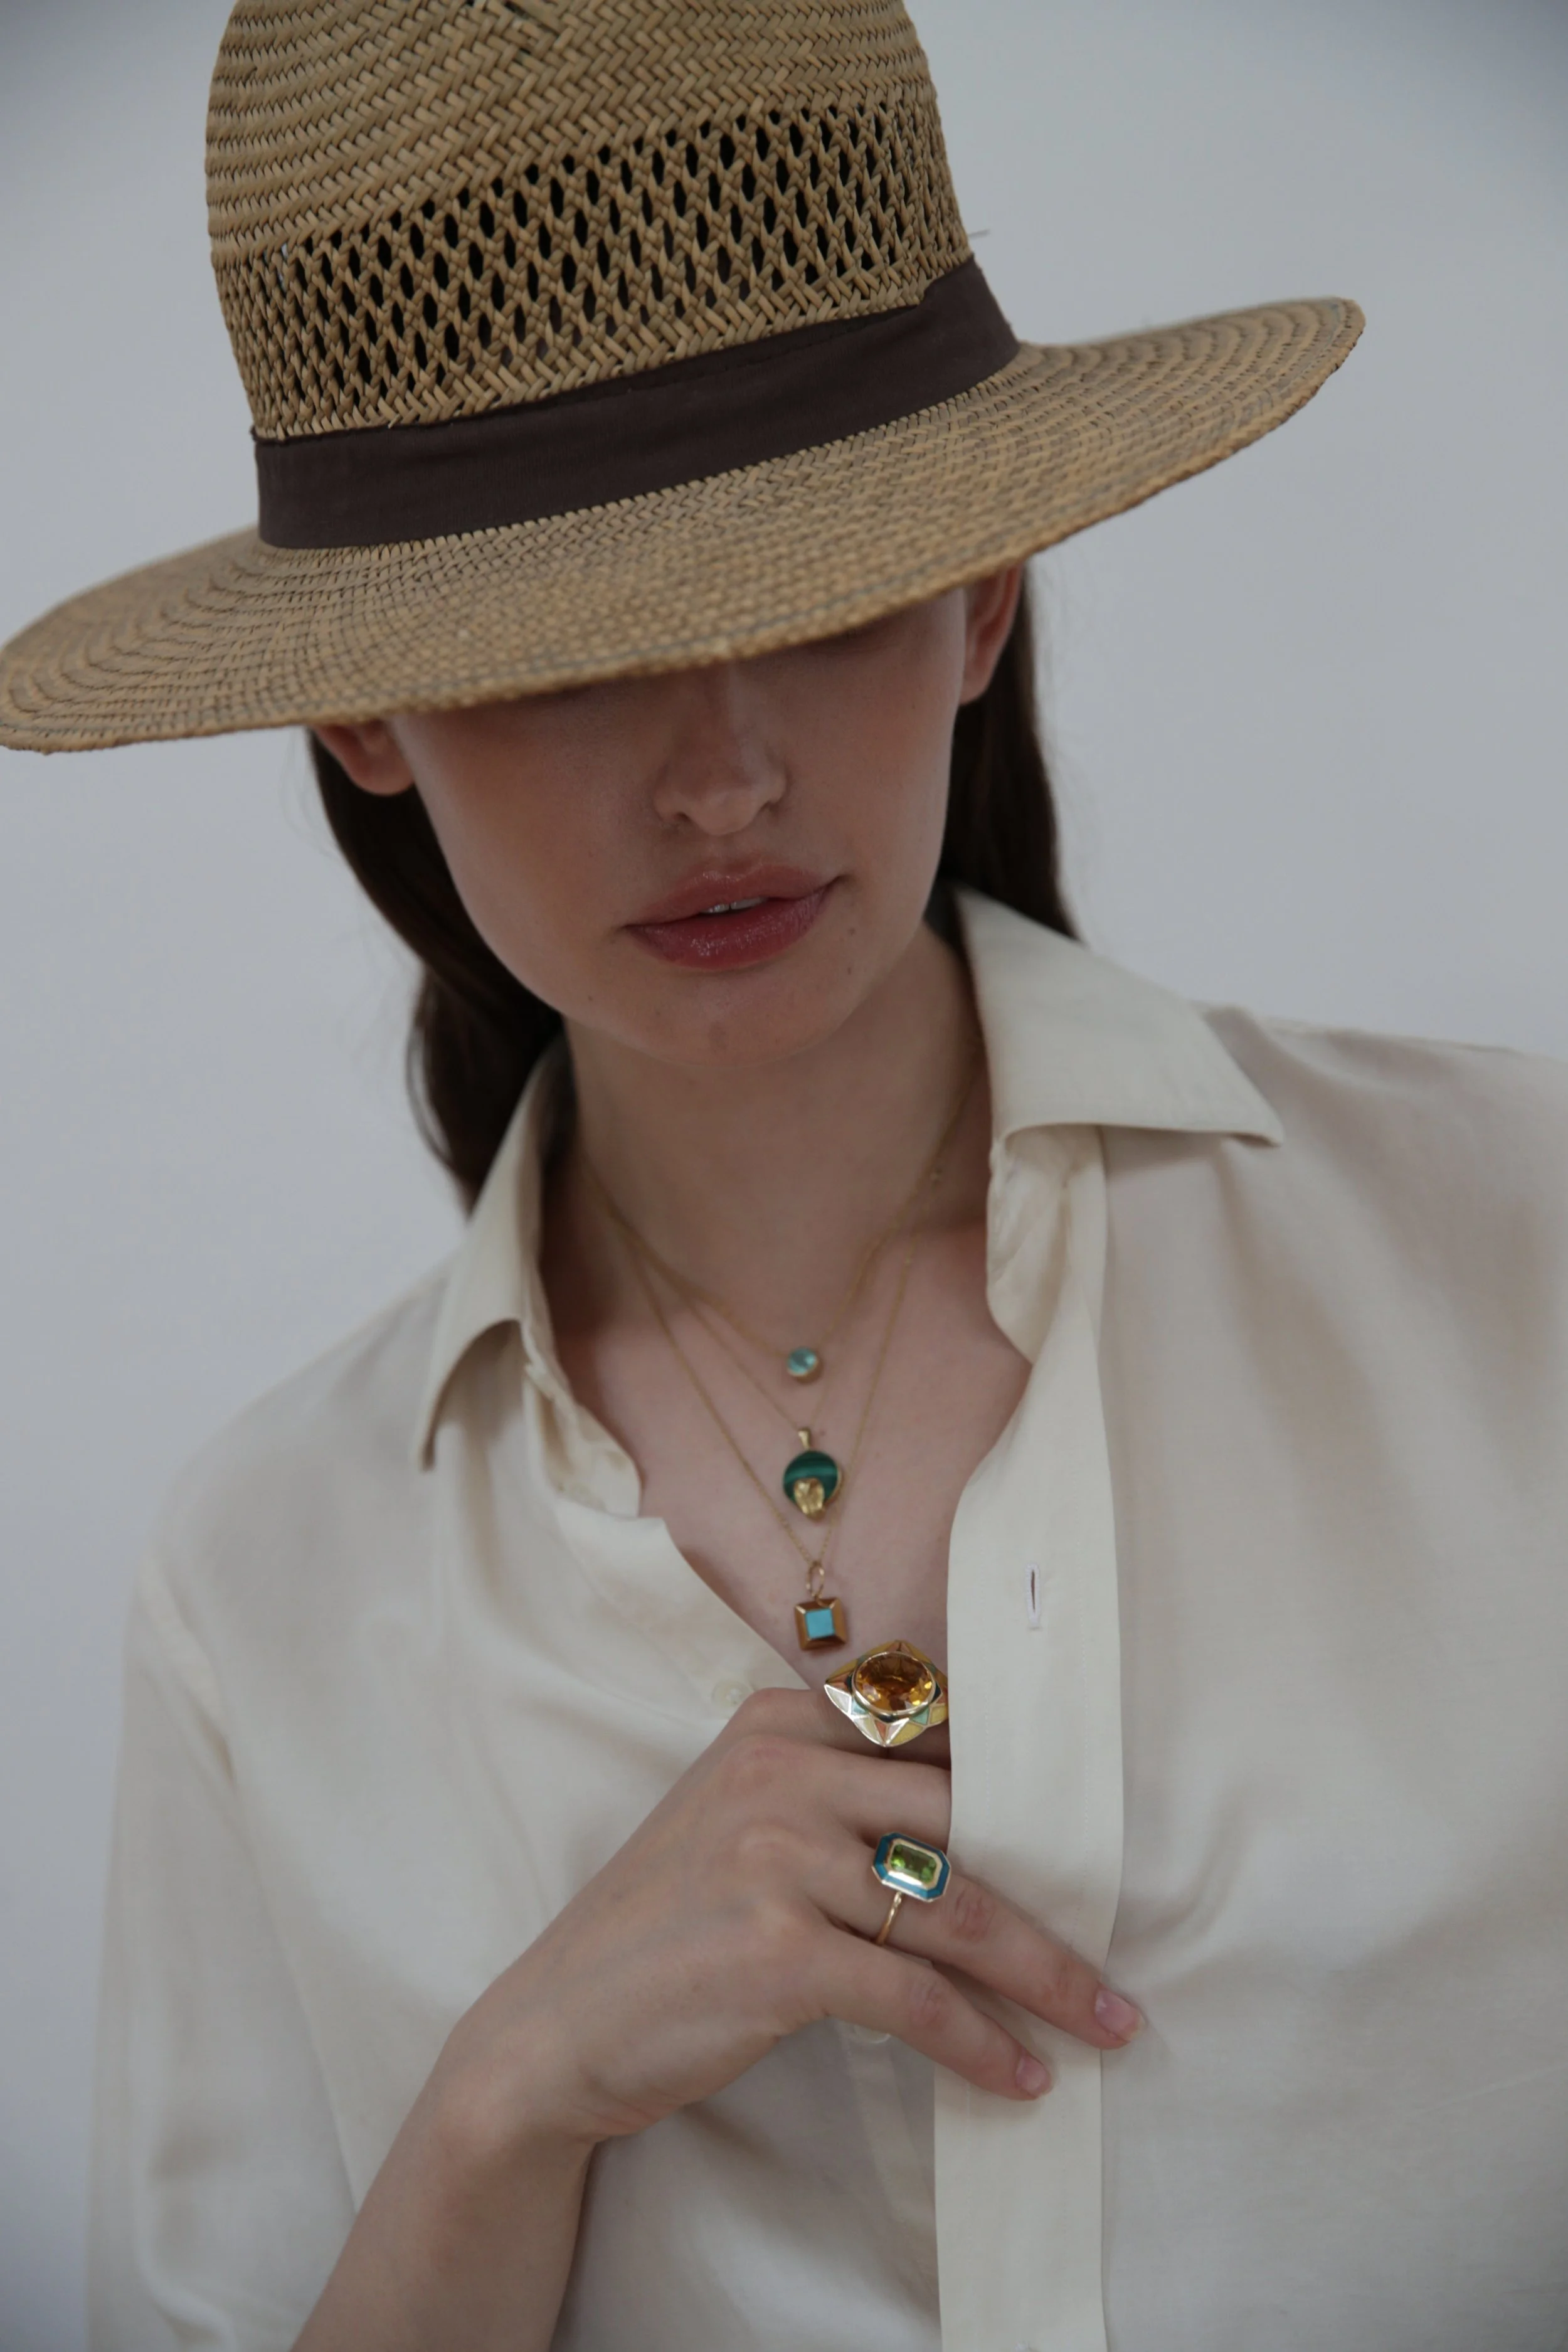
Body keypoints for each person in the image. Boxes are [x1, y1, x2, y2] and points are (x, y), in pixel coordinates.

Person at [5, 2, 1567, 2348]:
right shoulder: (269, 1586)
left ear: (982, 596)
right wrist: (508, 2094)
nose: (717, 774)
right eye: (560, 658)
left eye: (821, 599)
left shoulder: (1505, 1237)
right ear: (359, 712)